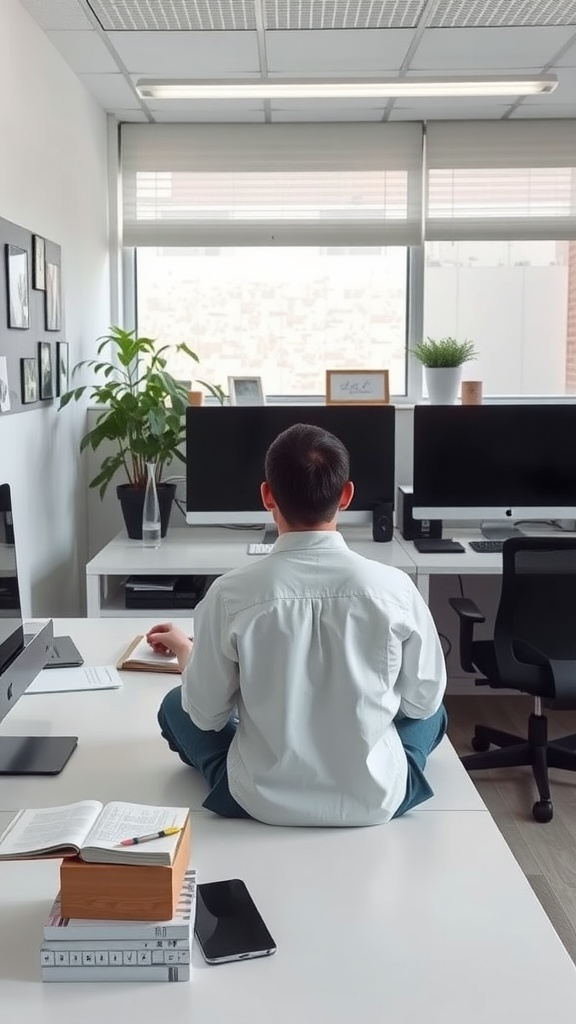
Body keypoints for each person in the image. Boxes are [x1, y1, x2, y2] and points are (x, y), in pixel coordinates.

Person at [148, 423, 447, 827]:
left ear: (267, 495)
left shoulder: (229, 593)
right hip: (377, 799)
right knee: (435, 708)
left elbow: (206, 717)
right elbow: (421, 703)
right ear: (346, 496)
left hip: (261, 801)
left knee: (175, 705)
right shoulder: (395, 588)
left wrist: (188, 650)